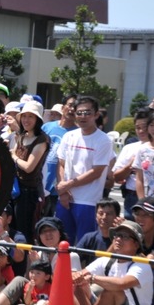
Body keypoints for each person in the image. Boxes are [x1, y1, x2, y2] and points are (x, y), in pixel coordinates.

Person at [0, 216, 81, 305]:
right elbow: (29, 280)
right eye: (43, 231)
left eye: (52, 230)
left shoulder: (71, 255)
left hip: (55, 299)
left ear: (60, 233)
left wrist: (41, 266)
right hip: (36, 296)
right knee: (19, 280)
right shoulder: (39, 253)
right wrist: (34, 268)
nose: (48, 234)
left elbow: (68, 286)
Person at [72, 220, 154, 305]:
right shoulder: (107, 261)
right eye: (117, 235)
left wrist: (93, 278)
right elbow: (78, 275)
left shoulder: (142, 265)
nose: (118, 239)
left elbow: (122, 283)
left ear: (136, 244)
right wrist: (77, 276)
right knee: (76, 282)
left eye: (125, 236)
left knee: (113, 291)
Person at [56, 96, 115, 243]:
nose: (83, 116)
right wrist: (62, 190)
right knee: (62, 242)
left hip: (88, 201)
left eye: (87, 113)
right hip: (65, 199)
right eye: (79, 113)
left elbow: (97, 172)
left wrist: (68, 184)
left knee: (84, 244)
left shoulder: (104, 140)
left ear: (96, 115)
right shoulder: (69, 136)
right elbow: (61, 163)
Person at [11, 101, 50, 243]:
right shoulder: (22, 136)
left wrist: (14, 157)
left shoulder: (42, 140)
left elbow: (29, 167)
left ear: (38, 120)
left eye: (31, 117)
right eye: (24, 116)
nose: (26, 120)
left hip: (29, 192)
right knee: (12, 229)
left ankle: (25, 264)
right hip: (15, 189)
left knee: (25, 233)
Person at [40, 94, 78, 217]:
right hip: (42, 185)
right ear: (63, 108)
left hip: (62, 191)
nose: (72, 109)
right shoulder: (46, 127)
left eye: (76, 107)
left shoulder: (78, 134)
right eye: (70, 105)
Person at [112, 108, 151, 218]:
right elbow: (116, 176)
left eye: (145, 127)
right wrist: (130, 165)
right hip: (132, 198)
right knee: (131, 233)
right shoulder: (130, 148)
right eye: (138, 128)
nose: (141, 131)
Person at [76, 198, 120, 267]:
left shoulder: (124, 239)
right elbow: (74, 258)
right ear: (96, 216)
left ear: (117, 217)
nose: (104, 217)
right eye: (101, 213)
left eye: (109, 214)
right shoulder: (88, 237)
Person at [133, 110, 154, 201]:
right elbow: (139, 179)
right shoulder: (142, 150)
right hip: (148, 203)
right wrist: (142, 202)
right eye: (151, 125)